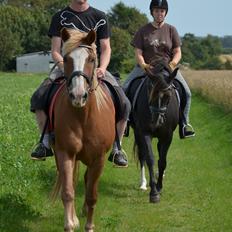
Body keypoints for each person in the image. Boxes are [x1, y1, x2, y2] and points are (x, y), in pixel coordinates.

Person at [30, 0, 131, 167]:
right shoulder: (59, 17)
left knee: (124, 102)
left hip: (94, 67)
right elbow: (55, 50)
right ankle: (44, 142)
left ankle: (117, 148)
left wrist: (103, 68)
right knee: (39, 96)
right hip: (66, 66)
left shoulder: (100, 17)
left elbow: (106, 48)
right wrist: (64, 66)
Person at [123, 0, 195, 138]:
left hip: (166, 68)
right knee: (124, 88)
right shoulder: (143, 30)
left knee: (187, 92)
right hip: (147, 68)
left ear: (165, 12)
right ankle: (126, 122)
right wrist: (143, 65)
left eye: (162, 11)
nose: (159, 13)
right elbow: (138, 52)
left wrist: (173, 64)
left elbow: (178, 51)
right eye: (156, 10)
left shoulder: (171, 30)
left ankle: (184, 124)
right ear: (152, 12)